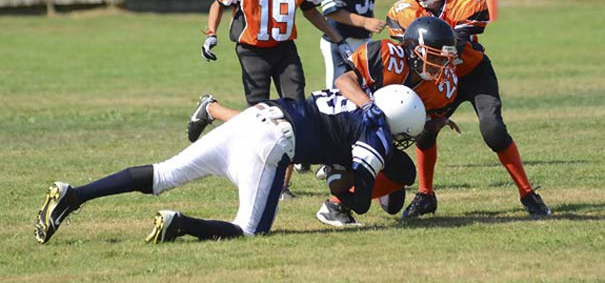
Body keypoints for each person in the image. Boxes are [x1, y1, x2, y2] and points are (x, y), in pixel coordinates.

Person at [34, 85, 425, 245]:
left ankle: (74, 194)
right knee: (249, 230)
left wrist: (336, 166)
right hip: (274, 141)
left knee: (162, 173)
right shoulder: (376, 129)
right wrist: (347, 181)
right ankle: (179, 223)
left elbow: (333, 122)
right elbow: (357, 204)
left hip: (255, 116)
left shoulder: (358, 103)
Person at [189, 0, 359, 199]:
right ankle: (211, 109)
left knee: (297, 113)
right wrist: (211, 34)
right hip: (251, 50)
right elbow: (220, 2)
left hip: (284, 49)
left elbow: (310, 10)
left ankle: (282, 186)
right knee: (261, 120)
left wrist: (337, 38)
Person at [386, 0, 551, 218]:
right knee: (424, 131)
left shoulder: (467, 1)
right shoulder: (402, 11)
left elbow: (456, 47)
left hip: (471, 73)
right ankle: (426, 195)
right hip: (434, 77)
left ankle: (528, 193)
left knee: (493, 130)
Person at [315, 16, 462, 226]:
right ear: (414, 50)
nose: (440, 66)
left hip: (381, 138)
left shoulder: (440, 86)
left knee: (394, 199)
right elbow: (343, 81)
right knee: (398, 170)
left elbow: (416, 122)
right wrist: (368, 106)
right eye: (435, 58)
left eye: (444, 60)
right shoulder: (385, 55)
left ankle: (343, 170)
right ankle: (336, 202)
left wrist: (434, 123)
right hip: (349, 126)